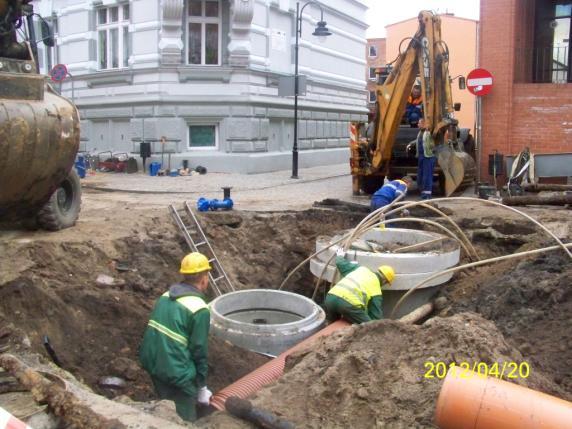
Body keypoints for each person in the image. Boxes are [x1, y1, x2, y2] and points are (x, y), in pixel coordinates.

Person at [139, 252, 213, 422]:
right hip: (176, 372)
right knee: (184, 415)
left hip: (152, 361)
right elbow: (199, 350)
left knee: (166, 404)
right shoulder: (199, 308)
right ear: (203, 278)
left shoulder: (166, 296)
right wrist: (201, 387)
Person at [324, 252, 395, 324]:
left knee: (332, 324)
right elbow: (376, 316)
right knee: (370, 327)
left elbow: (341, 264)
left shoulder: (361, 269)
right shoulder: (376, 289)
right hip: (347, 305)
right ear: (384, 281)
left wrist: (340, 256)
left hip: (330, 298)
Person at [416, 118, 437, 200]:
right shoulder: (420, 133)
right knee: (420, 177)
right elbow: (419, 141)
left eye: (419, 123)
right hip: (421, 157)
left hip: (428, 157)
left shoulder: (429, 133)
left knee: (427, 177)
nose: (418, 125)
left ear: (424, 124)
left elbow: (432, 143)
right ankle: (423, 193)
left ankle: (427, 195)